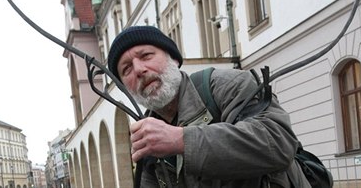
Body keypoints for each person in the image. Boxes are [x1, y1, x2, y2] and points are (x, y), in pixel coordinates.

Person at [107, 25, 310, 188]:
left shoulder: (228, 84)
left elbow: (278, 143)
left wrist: (181, 140)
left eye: (146, 56)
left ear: (174, 59)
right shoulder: (147, 140)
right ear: (125, 87)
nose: (139, 69)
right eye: (126, 69)